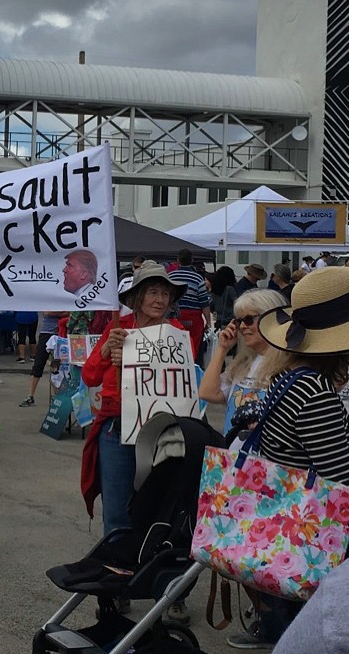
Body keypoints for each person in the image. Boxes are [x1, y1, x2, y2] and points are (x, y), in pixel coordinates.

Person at [225, 267, 349, 650]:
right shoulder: (316, 393)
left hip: (284, 538)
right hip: (312, 548)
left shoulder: (291, 377)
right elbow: (340, 484)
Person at [80, 261, 189, 622]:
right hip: (117, 429)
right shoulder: (118, 330)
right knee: (117, 514)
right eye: (153, 292)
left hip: (161, 432)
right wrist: (109, 353)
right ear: (138, 297)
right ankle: (116, 590)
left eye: (165, 293)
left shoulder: (176, 335)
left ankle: (170, 589)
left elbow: (185, 385)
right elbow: (90, 376)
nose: (160, 299)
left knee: (165, 510)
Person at [198, 289, 287, 438]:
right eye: (239, 321)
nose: (243, 327)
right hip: (233, 456)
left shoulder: (289, 366)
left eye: (249, 319)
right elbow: (207, 393)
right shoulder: (243, 364)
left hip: (266, 457)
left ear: (270, 319)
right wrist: (222, 349)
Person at [168, 249, 211, 359]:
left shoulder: (170, 277)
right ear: (191, 260)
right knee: (194, 346)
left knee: (174, 344)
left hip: (173, 316)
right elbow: (204, 302)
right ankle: (192, 366)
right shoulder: (197, 278)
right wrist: (208, 322)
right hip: (194, 318)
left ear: (178, 260)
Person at [19, 311, 67, 407]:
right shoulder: (49, 297)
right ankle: (30, 395)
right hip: (47, 332)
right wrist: (63, 312)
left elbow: (72, 312)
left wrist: (59, 312)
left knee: (60, 366)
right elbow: (47, 312)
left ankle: (59, 396)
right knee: (38, 364)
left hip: (62, 332)